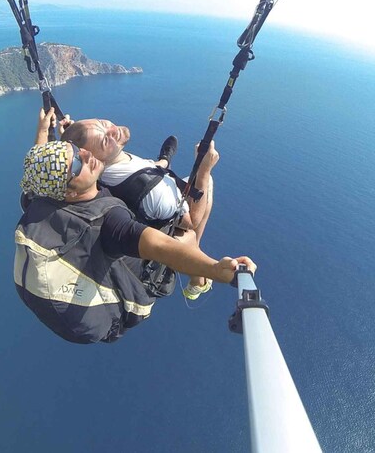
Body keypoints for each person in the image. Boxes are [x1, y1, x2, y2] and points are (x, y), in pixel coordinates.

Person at [15, 139, 255, 344]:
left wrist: (44, 127)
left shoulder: (39, 198)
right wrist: (215, 269)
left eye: (77, 149)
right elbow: (158, 246)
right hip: (122, 303)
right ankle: (198, 282)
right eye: (77, 164)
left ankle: (162, 163)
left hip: (70, 276)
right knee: (187, 235)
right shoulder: (108, 221)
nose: (87, 155)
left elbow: (43, 163)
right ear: (69, 193)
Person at [37, 108, 217, 298]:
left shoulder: (88, 172)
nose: (112, 129)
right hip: (157, 239)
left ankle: (162, 163)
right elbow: (193, 220)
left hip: (138, 197)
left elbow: (58, 167)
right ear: (93, 159)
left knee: (157, 167)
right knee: (204, 193)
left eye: (102, 122)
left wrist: (59, 135)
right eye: (105, 140)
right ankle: (198, 275)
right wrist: (204, 168)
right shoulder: (155, 193)